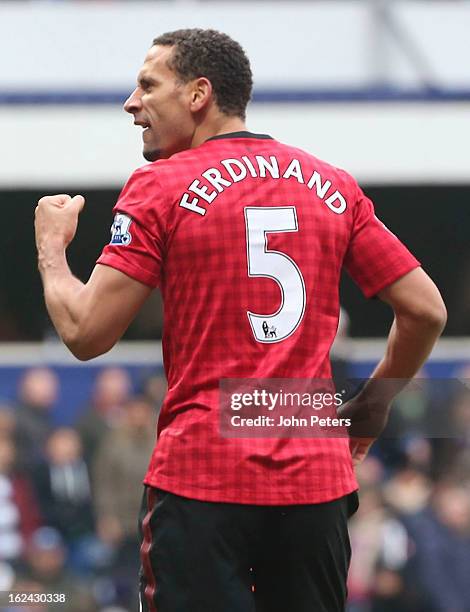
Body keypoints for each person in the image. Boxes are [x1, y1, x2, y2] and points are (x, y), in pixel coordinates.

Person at [34, 28, 446, 612]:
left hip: (202, 477)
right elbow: (426, 310)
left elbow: (84, 332)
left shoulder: (161, 185)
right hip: (315, 480)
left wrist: (51, 251)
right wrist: (373, 406)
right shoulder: (334, 185)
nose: (132, 104)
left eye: (148, 86)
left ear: (199, 94)